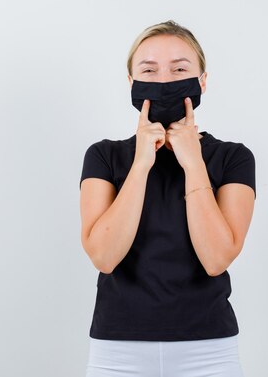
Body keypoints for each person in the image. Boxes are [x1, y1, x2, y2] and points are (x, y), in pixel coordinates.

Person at [78, 20, 256, 377]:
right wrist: (141, 164)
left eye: (179, 69)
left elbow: (216, 259)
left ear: (202, 81)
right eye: (149, 70)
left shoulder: (233, 158)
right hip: (117, 350)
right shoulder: (104, 156)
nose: (164, 81)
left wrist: (192, 162)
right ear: (131, 83)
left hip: (208, 350)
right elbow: (105, 256)